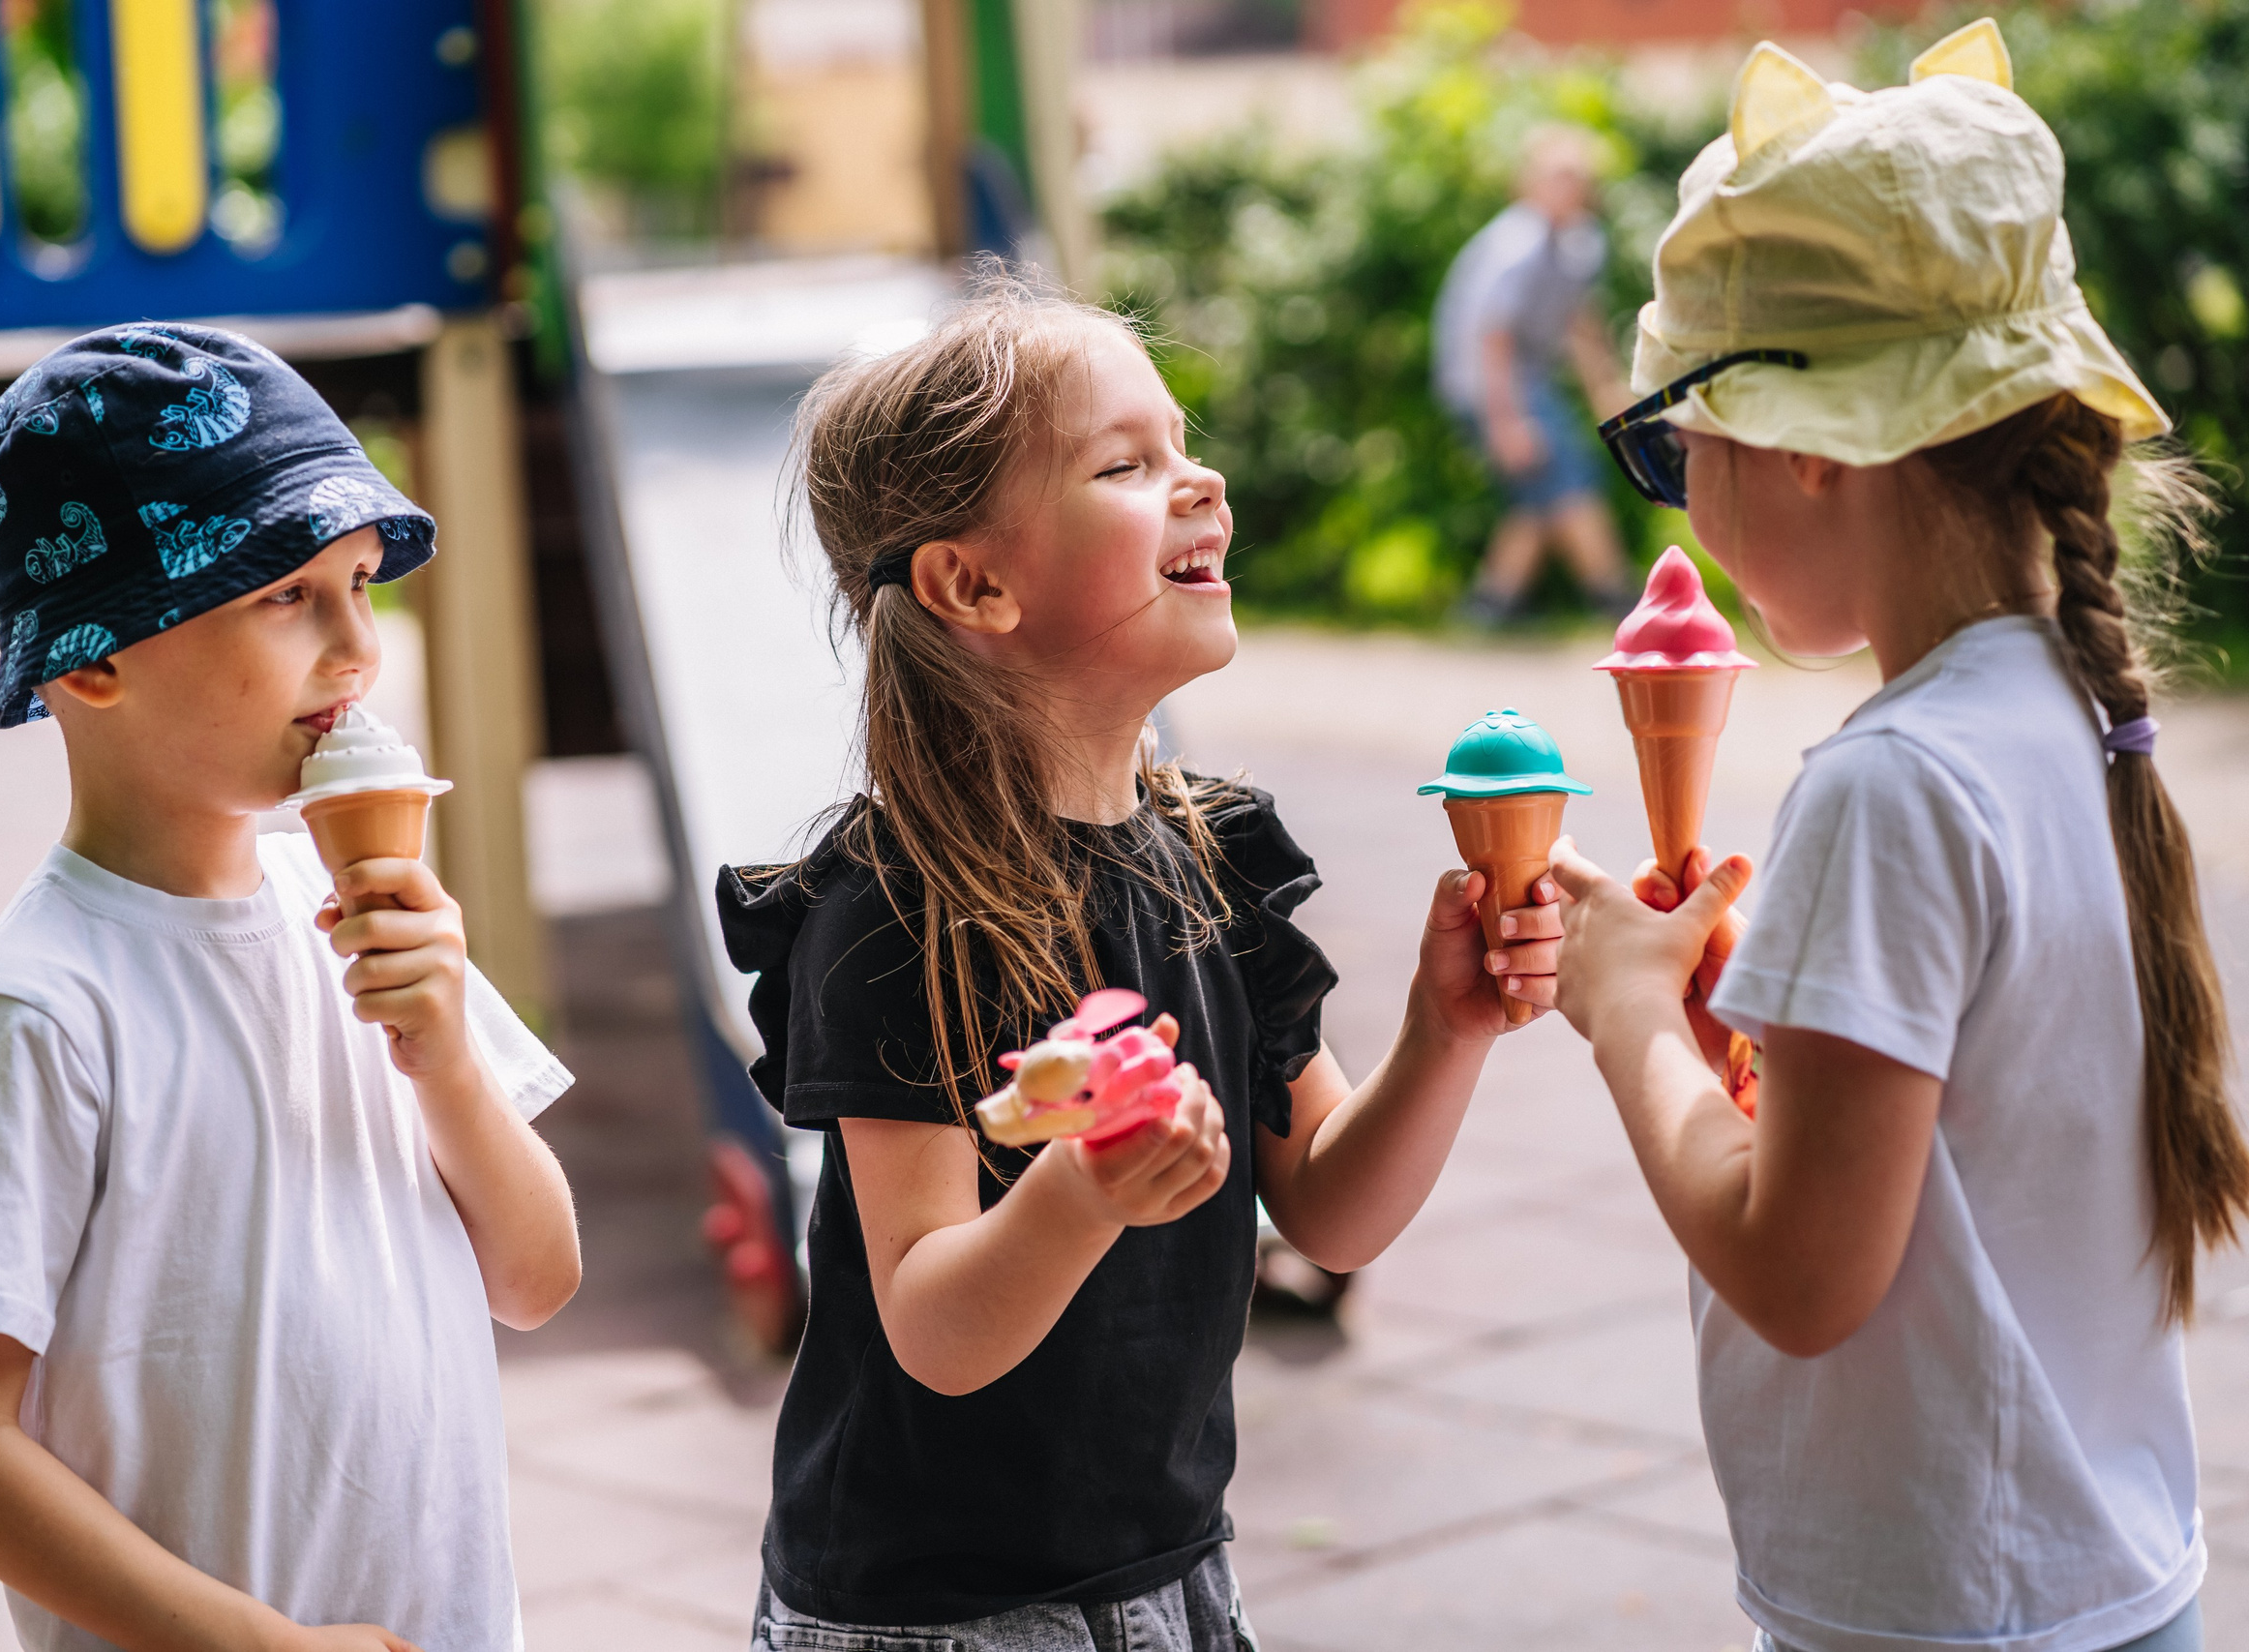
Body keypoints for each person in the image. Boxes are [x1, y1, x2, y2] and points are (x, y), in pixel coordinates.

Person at [716, 272, 1562, 1650]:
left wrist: (1445, 1025)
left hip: (1170, 1564)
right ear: (973, 581)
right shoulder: (897, 908)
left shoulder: (1214, 856)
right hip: (938, 1612)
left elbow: (1334, 1210)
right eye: (1128, 462)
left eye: (1183, 440)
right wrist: (1085, 1189)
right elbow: (930, 1317)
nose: (1200, 478)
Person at [1550, 23, 2243, 1652]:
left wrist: (1629, 1015)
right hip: (2098, 1579)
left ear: (1804, 443)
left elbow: (1799, 1273)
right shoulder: (2069, 711)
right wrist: (1771, 1036)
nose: (1680, 498)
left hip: (1950, 1612)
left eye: (1672, 445)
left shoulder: (1893, 782)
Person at [0, 324, 582, 1652]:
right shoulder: (38, 1012)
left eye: (362, 584)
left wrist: (446, 1063)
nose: (357, 648)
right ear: (93, 657)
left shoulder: (371, 922)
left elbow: (538, 1276)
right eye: (285, 595)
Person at [1432, 123, 1637, 625]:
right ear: (1528, 183)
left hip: (1527, 381)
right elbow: (1492, 338)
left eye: (1576, 177)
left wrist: (1607, 393)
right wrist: (1506, 421)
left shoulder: (1579, 242)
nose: (1567, 188)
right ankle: (1619, 602)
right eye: (1556, 176)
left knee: (1539, 495)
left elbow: (1581, 323)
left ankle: (1489, 607)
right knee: (1571, 485)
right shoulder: (1517, 243)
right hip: (1490, 385)